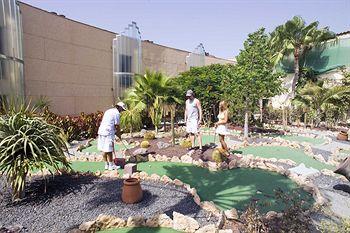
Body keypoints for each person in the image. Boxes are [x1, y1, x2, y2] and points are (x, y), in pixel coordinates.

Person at [97, 102, 127, 170]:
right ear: (119, 107)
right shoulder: (116, 113)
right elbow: (117, 125)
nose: (122, 111)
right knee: (109, 150)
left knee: (104, 150)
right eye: (122, 109)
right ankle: (111, 166)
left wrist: (116, 133)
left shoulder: (108, 111)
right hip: (108, 132)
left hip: (101, 131)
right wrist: (119, 135)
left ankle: (106, 165)